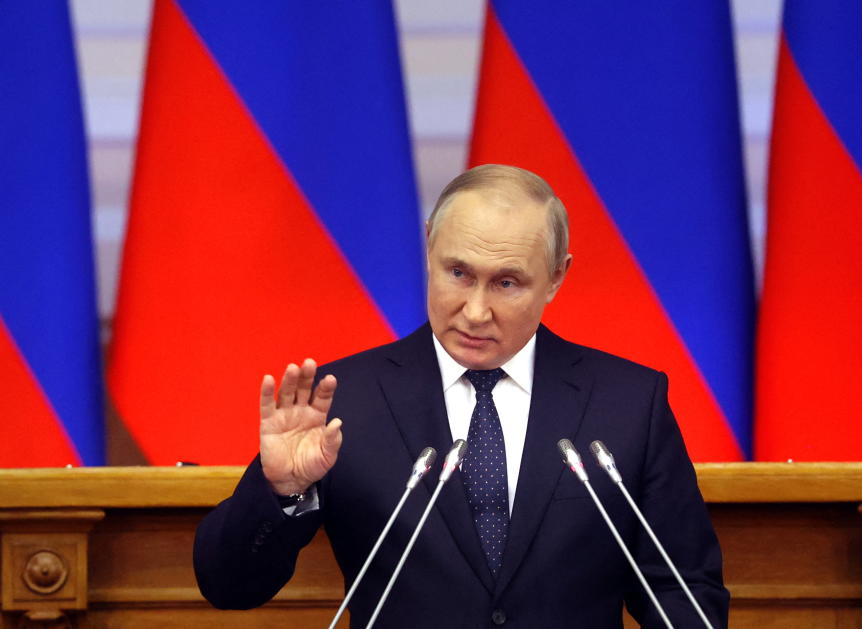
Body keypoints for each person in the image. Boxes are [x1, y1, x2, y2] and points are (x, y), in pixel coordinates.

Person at [194, 164, 729, 628]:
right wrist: (281, 490)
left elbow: (681, 593)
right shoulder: (347, 401)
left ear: (556, 278)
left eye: (507, 283)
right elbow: (229, 586)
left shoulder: (629, 403)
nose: (475, 311)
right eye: (458, 273)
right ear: (430, 248)